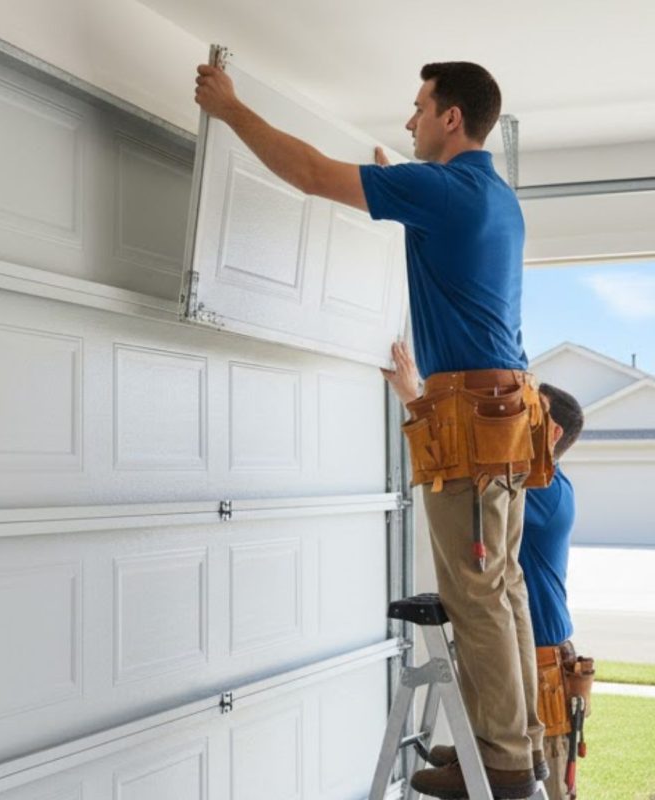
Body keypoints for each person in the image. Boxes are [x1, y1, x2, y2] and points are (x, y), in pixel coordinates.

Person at [195, 60, 549, 798]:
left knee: (479, 595)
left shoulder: (441, 190)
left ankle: (508, 765)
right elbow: (439, 242)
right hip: (508, 423)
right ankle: (516, 747)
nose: (411, 120)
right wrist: (401, 184)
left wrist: (230, 109)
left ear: (452, 118)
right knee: (504, 586)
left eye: (419, 108)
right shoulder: (494, 197)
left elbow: (313, 173)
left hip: (474, 427)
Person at [385, 341, 590, 800]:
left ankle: (503, 758)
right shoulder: (550, 483)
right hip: (529, 649)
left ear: (550, 433)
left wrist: (415, 398)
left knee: (545, 787)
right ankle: (486, 752)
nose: (518, 420)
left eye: (529, 414)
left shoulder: (542, 492)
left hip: (538, 658)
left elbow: (475, 480)